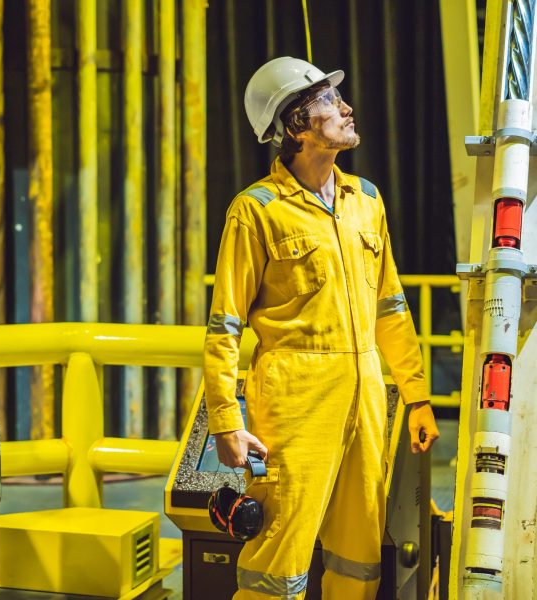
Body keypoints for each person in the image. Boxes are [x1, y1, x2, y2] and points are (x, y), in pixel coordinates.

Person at [203, 56, 439, 600]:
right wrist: (225, 422)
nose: (346, 107)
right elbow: (225, 326)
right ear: (295, 127)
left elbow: (391, 307)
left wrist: (418, 396)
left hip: (366, 400)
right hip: (295, 405)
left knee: (358, 558)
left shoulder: (367, 200)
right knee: (277, 556)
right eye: (329, 102)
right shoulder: (257, 211)